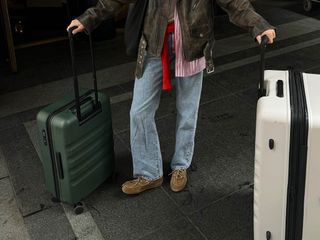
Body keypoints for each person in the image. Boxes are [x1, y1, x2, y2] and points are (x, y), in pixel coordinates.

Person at [67, 0, 276, 195]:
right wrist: (88, 18)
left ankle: (181, 166)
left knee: (187, 110)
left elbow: (233, 2)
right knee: (139, 112)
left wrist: (258, 24)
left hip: (192, 43)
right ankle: (149, 173)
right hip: (154, 42)